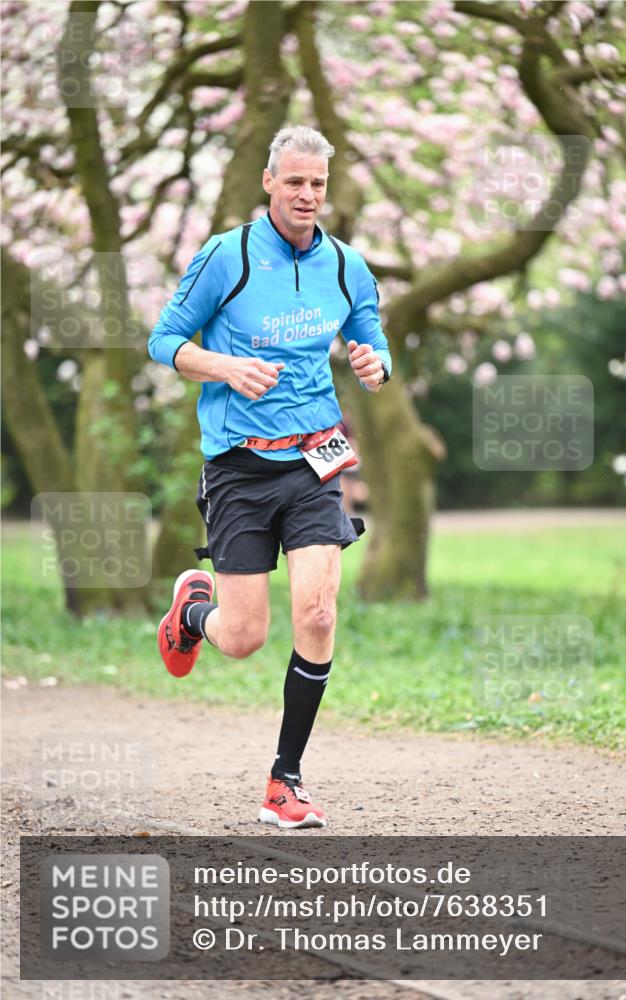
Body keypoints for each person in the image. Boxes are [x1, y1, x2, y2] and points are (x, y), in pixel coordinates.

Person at [147, 125, 392, 829]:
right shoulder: (227, 257)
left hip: (315, 459)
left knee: (317, 612)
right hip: (238, 468)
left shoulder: (347, 265)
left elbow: (369, 334)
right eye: (294, 182)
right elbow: (164, 340)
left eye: (317, 183)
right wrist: (224, 367)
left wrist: (375, 363)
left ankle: (284, 780)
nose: (307, 195)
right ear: (269, 183)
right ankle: (192, 612)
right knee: (244, 636)